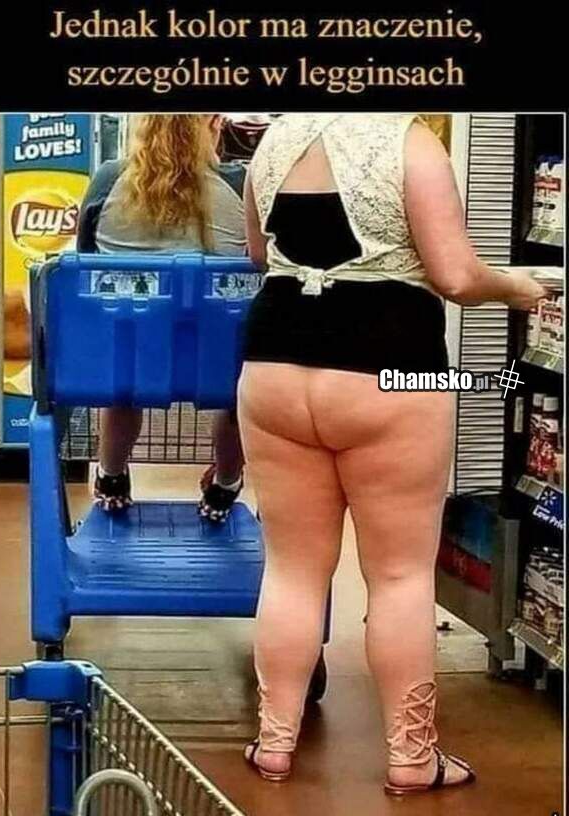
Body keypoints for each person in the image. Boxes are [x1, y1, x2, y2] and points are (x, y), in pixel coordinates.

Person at [238, 114, 546, 793]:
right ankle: (412, 756)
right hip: (390, 368)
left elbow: (261, 254)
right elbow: (455, 275)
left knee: (291, 570)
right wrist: (518, 287)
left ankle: (275, 744)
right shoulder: (411, 143)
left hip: (275, 365)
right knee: (400, 576)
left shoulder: (277, 139)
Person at [77, 114, 247, 520]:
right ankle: (225, 484)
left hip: (130, 359)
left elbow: (85, 262)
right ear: (212, 123)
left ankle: (111, 475)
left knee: (124, 368)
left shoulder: (108, 179)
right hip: (214, 363)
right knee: (238, 389)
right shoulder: (239, 184)